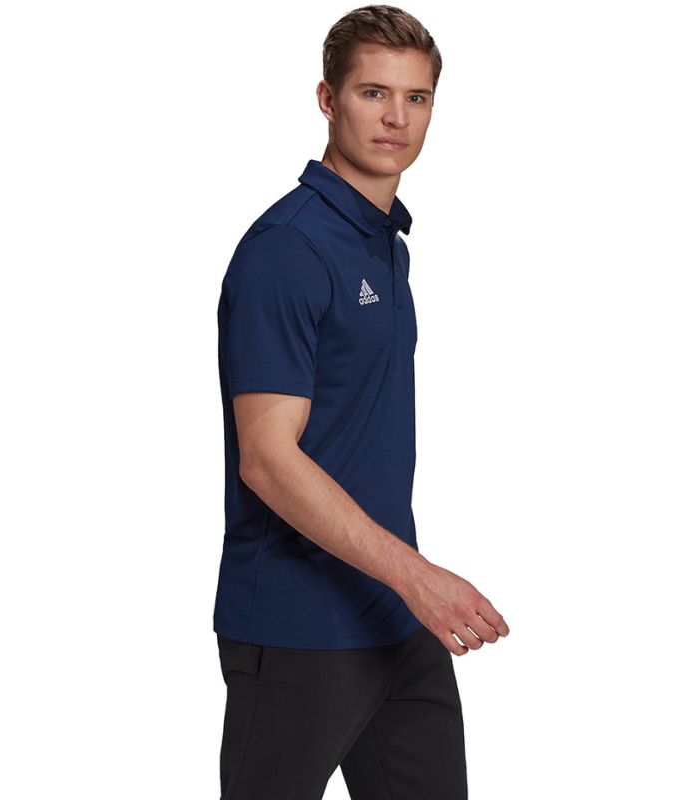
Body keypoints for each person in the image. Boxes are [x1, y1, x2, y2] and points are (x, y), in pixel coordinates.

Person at [213, 5, 509, 798]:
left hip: (396, 622)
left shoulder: (382, 243)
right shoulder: (288, 250)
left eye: (417, 98)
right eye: (374, 93)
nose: (396, 118)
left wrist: (407, 589)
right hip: (298, 627)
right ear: (327, 99)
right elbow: (267, 459)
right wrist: (418, 577)